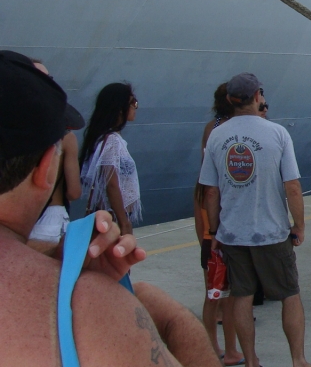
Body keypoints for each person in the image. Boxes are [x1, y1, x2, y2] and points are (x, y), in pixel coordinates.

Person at [0, 50, 220, 367]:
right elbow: (111, 183)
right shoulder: (92, 309)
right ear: (48, 167)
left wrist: (48, 255)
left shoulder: (100, 139)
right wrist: (172, 319)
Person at [199, 73, 311, 367]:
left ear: (229, 100)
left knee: (241, 296)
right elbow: (292, 186)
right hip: (271, 231)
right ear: (257, 96)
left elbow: (210, 192)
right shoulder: (276, 133)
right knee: (290, 294)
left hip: (232, 233)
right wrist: (298, 224)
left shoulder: (216, 135)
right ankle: (298, 360)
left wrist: (213, 232)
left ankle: (251, 361)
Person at [195, 84, 241, 365]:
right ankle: (232, 349)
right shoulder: (240, 127)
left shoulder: (212, 127)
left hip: (207, 211)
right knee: (232, 292)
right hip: (229, 212)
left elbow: (205, 178)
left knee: (212, 288)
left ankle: (211, 345)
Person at [26, 58, 85, 247]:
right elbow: (74, 192)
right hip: (52, 219)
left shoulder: (14, 133)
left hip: (19, 222)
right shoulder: (65, 136)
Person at [80, 82, 142, 236]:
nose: (136, 107)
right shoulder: (111, 141)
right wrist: (124, 222)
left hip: (112, 216)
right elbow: (111, 184)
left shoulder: (106, 138)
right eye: (133, 103)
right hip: (112, 219)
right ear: (120, 108)